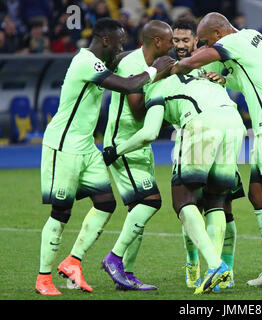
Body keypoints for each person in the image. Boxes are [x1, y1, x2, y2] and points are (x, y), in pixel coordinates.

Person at [171, 12, 262, 290]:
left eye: (206, 40)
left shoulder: (234, 41)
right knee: (257, 195)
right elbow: (247, 80)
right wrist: (224, 79)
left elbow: (199, 59)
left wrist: (179, 65)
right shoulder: (254, 37)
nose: (205, 45)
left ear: (217, 34)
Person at [35, 17, 174, 296]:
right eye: (119, 41)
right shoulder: (85, 62)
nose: (121, 46)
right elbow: (127, 85)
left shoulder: (99, 60)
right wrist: (153, 69)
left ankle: (73, 261)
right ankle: (43, 278)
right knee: (61, 214)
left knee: (106, 203)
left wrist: (137, 55)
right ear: (105, 40)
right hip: (63, 146)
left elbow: (118, 60)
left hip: (87, 147)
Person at [103, 71, 246, 295]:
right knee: (216, 200)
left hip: (202, 124)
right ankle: (216, 274)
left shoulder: (155, 88)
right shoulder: (196, 78)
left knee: (183, 200)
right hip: (235, 124)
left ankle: (214, 264)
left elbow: (149, 133)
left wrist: (115, 151)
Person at [100, 20, 175, 291]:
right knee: (151, 201)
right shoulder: (135, 65)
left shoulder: (143, 60)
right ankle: (114, 258)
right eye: (169, 41)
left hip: (137, 143)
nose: (173, 46)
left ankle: (126, 275)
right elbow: (138, 110)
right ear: (157, 41)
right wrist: (162, 101)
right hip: (123, 143)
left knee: (138, 213)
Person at [170, 17, 243, 290]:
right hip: (188, 136)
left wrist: (224, 78)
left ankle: (224, 270)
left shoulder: (212, 61)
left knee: (223, 205)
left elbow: (236, 78)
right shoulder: (169, 69)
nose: (179, 45)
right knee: (192, 206)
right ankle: (193, 264)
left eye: (185, 40)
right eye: (175, 40)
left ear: (196, 41)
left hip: (221, 131)